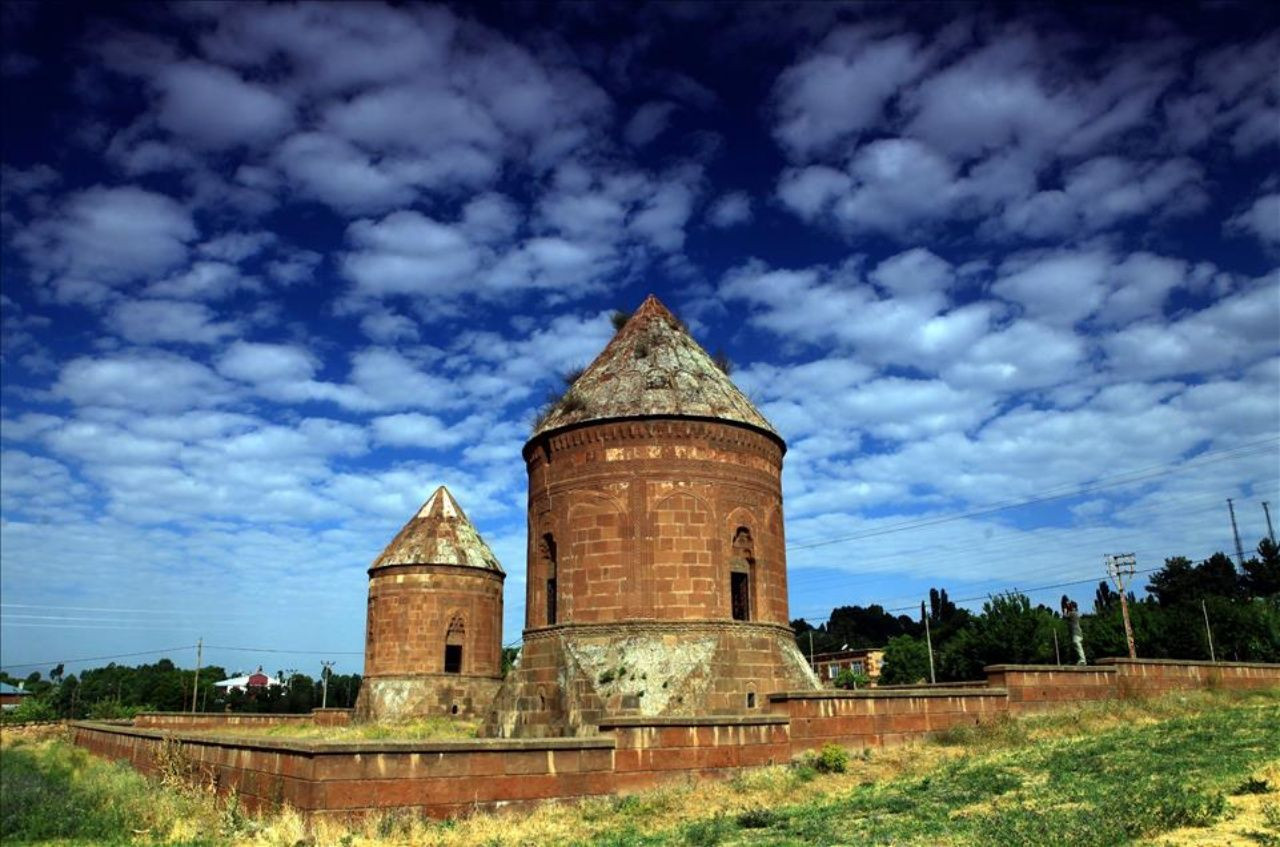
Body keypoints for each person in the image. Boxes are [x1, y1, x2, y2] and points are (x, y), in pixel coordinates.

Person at [1061, 596, 1086, 665]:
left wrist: (1065, 609)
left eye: (1071, 606)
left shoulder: (1072, 613)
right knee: (1076, 646)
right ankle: (1081, 660)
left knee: (1077, 644)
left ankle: (1082, 660)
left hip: (1076, 633)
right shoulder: (1075, 613)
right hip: (1078, 633)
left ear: (1073, 607)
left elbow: (1064, 616)